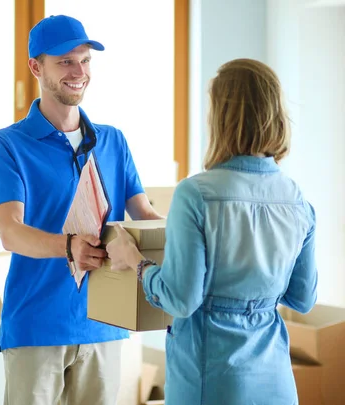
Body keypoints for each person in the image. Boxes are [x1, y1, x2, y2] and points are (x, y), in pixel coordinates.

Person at [106, 58, 318, 405]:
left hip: (213, 379)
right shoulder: (297, 200)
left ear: (220, 118)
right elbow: (303, 298)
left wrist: (135, 261)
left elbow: (181, 299)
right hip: (276, 382)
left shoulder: (196, 194)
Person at [0, 14, 163, 405]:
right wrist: (69, 247)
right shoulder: (8, 145)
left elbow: (146, 215)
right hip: (36, 326)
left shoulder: (113, 141)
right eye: (65, 61)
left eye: (85, 60)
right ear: (36, 66)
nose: (78, 71)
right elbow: (10, 231)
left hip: (104, 324)